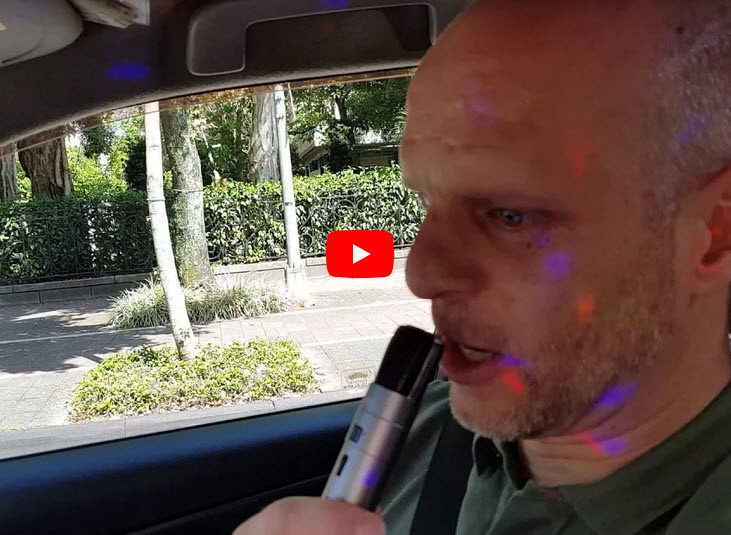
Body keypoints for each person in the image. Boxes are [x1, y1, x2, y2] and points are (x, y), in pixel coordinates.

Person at [234, 0, 731, 533]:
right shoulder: (419, 426)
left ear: (714, 235)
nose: (421, 274)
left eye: (511, 215)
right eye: (425, 200)